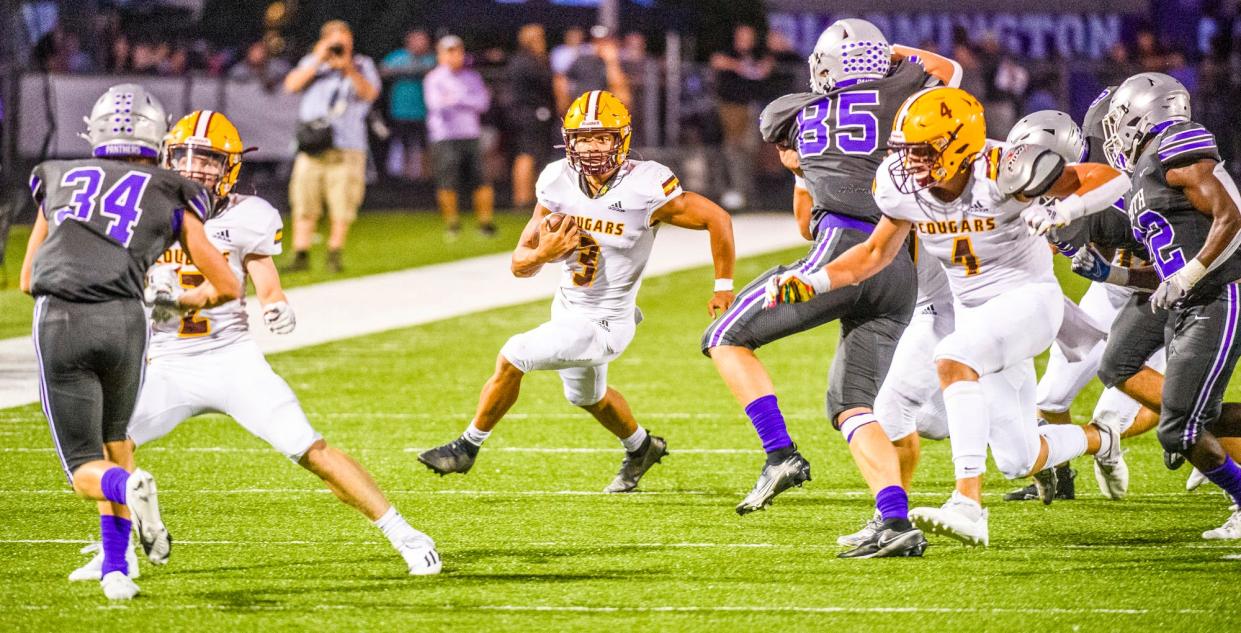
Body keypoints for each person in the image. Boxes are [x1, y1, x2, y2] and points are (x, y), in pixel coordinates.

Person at [65, 111, 442, 580]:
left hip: (231, 359)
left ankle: (405, 533)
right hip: (163, 363)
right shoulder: (140, 212)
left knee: (311, 450)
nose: (194, 168)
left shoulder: (250, 216)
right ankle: (114, 552)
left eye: (207, 160)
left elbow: (265, 277)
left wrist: (275, 303)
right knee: (105, 449)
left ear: (231, 168)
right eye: (184, 156)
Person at [768, 86, 1132, 546]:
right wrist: (814, 282)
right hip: (974, 313)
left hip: (1030, 302)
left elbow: (1111, 176)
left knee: (953, 355)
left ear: (960, 144)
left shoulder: (1003, 167)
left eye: (923, 151)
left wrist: (1067, 208)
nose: (911, 163)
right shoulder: (903, 186)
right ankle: (1102, 438)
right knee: (1015, 457)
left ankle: (968, 504)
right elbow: (874, 253)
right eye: (907, 152)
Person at [704, 19, 960, 559]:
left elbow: (803, 217)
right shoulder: (904, 91)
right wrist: (890, 54)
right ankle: (893, 521)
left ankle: (779, 453)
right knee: (852, 406)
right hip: (898, 267)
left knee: (724, 336)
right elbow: (949, 71)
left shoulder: (792, 112)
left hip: (842, 253)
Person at [418, 90, 736, 493]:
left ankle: (466, 447)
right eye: (583, 139)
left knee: (515, 353)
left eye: (602, 137)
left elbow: (718, 219)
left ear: (621, 139)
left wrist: (723, 287)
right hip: (567, 310)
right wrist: (544, 253)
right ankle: (641, 448)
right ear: (569, 141)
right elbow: (519, 264)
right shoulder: (556, 181)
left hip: (607, 321)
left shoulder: (646, 187)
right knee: (589, 396)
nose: (592, 148)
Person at [18, 84, 241, 600]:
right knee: (116, 441)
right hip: (126, 321)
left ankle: (127, 489)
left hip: (64, 321)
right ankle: (116, 569)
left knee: (85, 471)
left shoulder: (56, 177)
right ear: (157, 136)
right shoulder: (172, 189)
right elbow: (228, 285)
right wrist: (179, 299)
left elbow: (29, 277)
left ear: (94, 131)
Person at [1094, 72, 1241, 538]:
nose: (1115, 131)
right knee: (1126, 364)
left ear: (1143, 112)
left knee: (1179, 430)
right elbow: (1164, 266)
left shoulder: (1175, 142)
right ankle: (1190, 416)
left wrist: (1192, 273)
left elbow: (1232, 216)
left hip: (1218, 291)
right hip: (1187, 295)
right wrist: (1109, 274)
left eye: (1120, 119)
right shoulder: (1142, 172)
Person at [283, 20, 380, 273]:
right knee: (304, 200)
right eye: (333, 39)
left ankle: (334, 253)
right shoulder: (313, 63)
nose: (338, 43)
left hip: (346, 146)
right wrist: (318, 59)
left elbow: (369, 94)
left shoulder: (362, 65)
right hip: (311, 147)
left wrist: (348, 68)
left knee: (343, 203)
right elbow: (291, 85)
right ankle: (301, 254)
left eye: (343, 37)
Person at [424, 35, 495, 239]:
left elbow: (482, 103)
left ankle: (485, 223)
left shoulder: (472, 77)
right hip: (444, 136)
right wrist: (465, 100)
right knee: (447, 180)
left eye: (457, 51)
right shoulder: (434, 78)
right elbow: (436, 105)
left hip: (470, 133)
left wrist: (456, 98)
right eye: (449, 51)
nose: (453, 56)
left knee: (481, 179)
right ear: (440, 55)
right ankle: (452, 224)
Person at [709, 24, 772, 210]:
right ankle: (734, 190)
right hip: (731, 106)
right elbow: (716, 60)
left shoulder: (757, 53)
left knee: (751, 149)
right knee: (733, 150)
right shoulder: (729, 51)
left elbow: (767, 67)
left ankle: (746, 191)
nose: (747, 39)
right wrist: (740, 66)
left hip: (752, 107)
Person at [506, 24, 555, 208]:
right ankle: (522, 199)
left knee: (532, 154)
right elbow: (545, 85)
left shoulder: (521, 60)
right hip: (529, 113)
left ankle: (529, 198)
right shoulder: (529, 62)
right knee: (527, 154)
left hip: (523, 113)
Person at [380, 28, 436, 181]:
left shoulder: (431, 58)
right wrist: (406, 71)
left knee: (424, 145)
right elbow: (383, 71)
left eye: (424, 40)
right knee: (402, 145)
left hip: (425, 110)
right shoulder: (397, 57)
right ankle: (404, 179)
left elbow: (436, 71)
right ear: (409, 42)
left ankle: (425, 179)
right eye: (418, 40)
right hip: (401, 110)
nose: (421, 43)